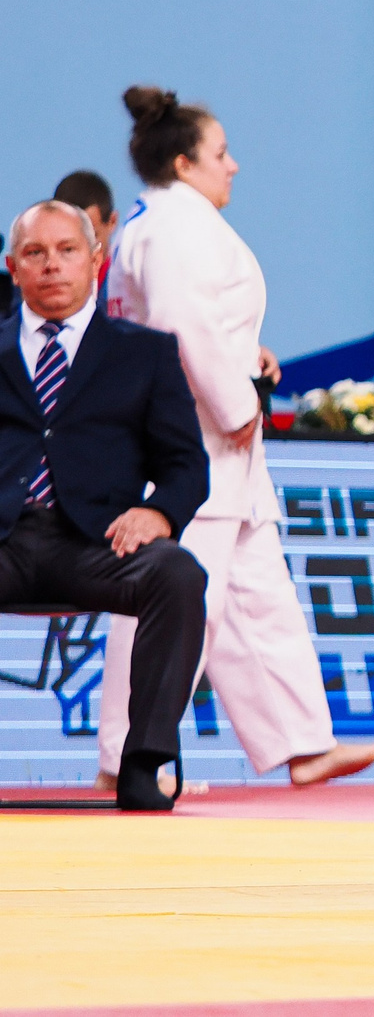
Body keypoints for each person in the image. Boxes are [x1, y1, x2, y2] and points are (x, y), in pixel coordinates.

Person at [97, 87, 374, 790]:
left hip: (212, 437)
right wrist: (235, 402)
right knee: (162, 594)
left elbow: (196, 324)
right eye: (221, 152)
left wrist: (246, 357)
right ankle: (123, 757)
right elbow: (181, 324)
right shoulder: (175, 225)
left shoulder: (166, 220)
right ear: (183, 161)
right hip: (190, 439)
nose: (233, 165)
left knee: (255, 595)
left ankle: (303, 742)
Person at [0, 201, 210, 811]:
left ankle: (142, 763)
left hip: (96, 544)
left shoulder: (145, 353)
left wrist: (159, 514)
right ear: (13, 266)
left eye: (67, 250)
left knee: (177, 573)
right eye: (35, 253)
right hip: (5, 539)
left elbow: (186, 466)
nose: (52, 265)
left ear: (97, 260)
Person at [52, 171, 119, 289]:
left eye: (91, 237)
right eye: (69, 243)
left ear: (112, 222)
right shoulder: (32, 290)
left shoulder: (132, 285)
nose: (82, 250)